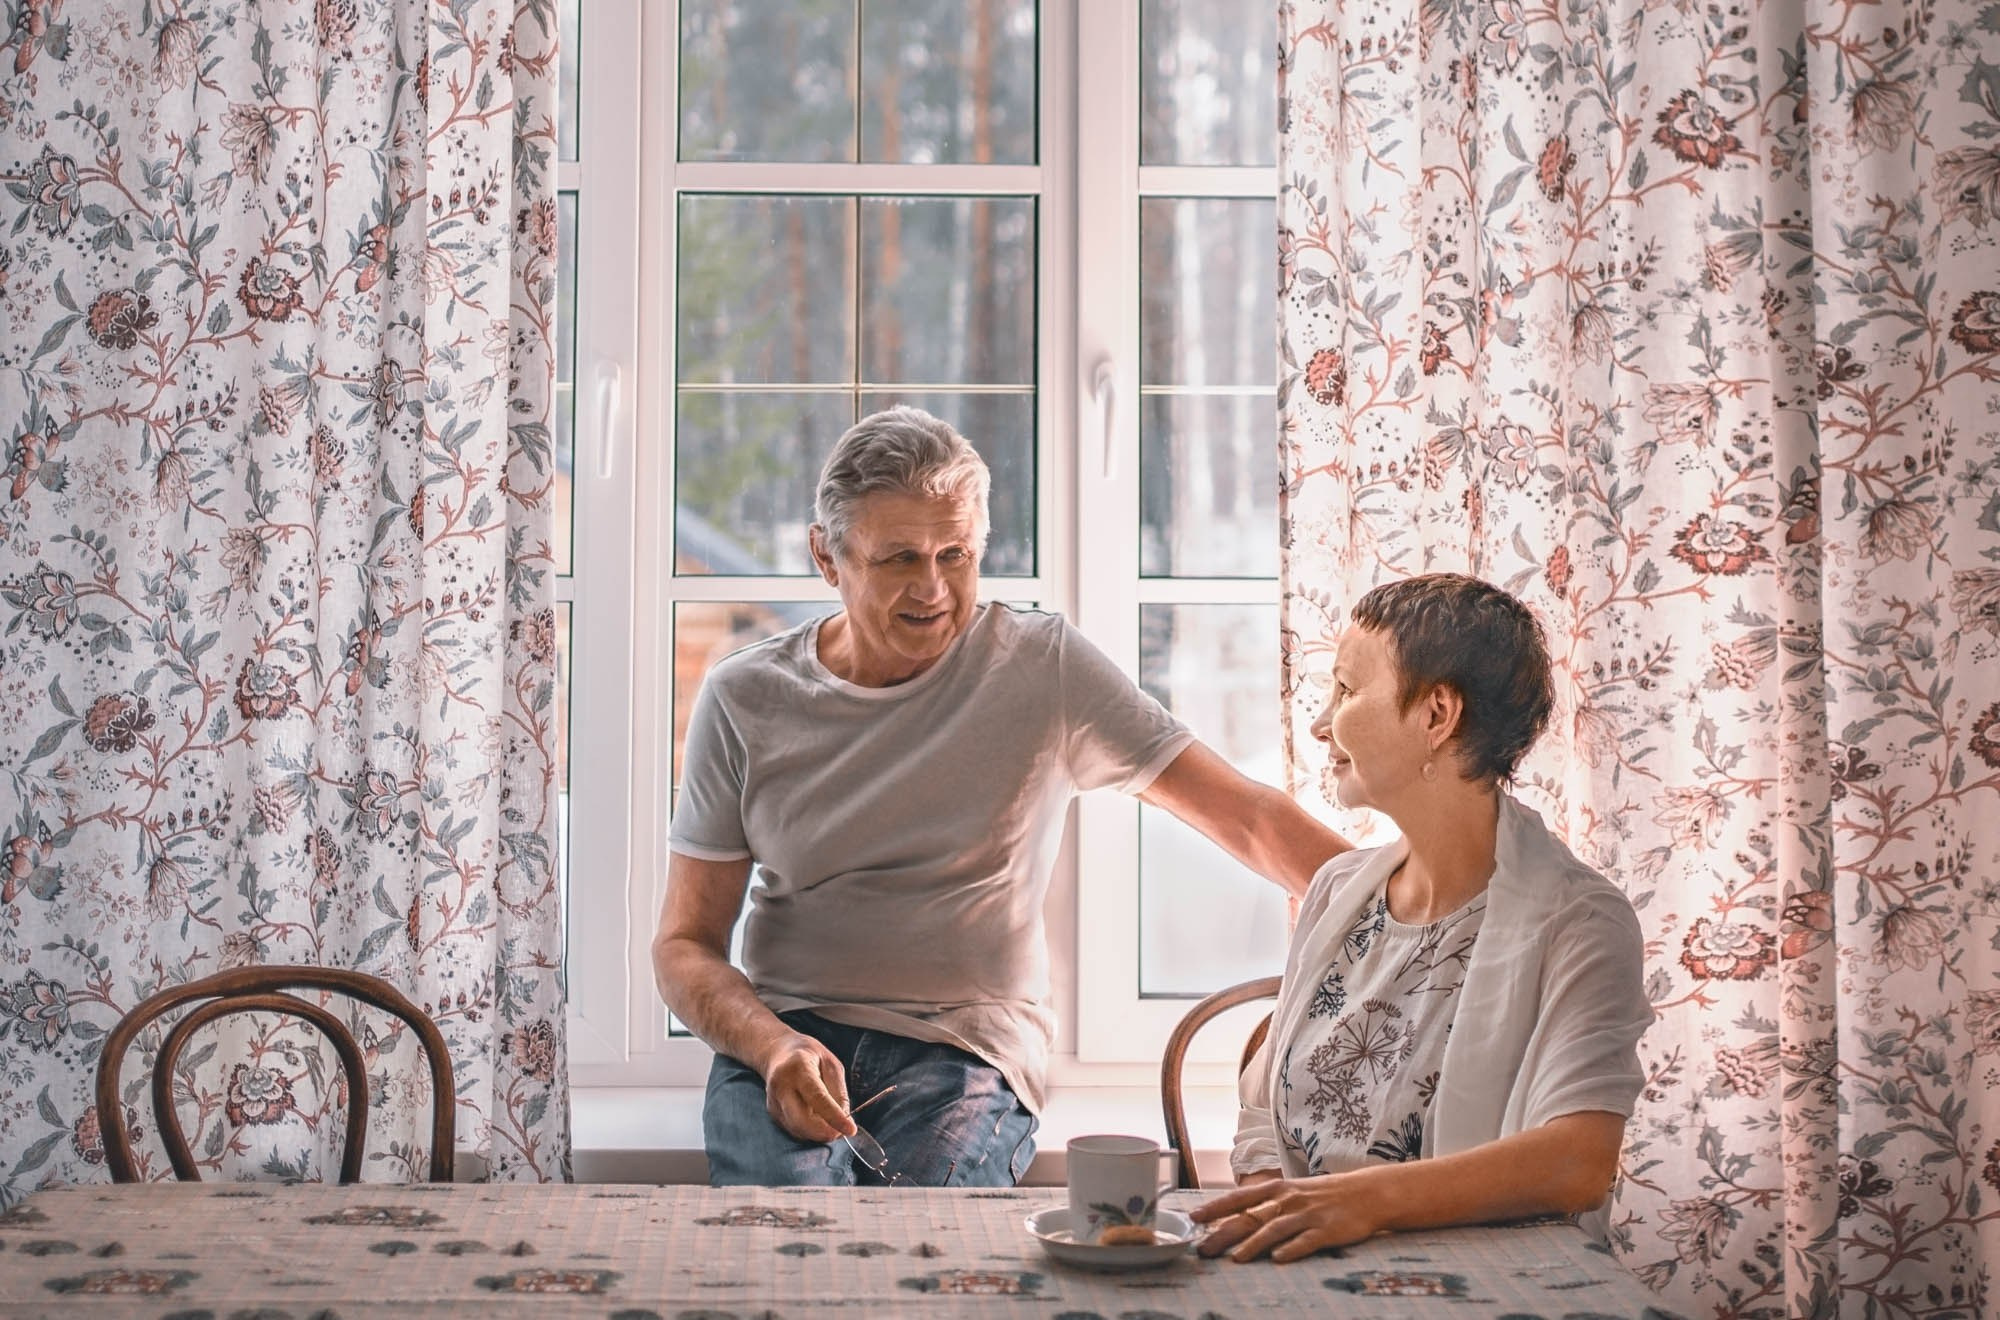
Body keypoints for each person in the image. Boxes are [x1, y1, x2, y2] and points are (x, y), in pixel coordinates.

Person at [653, 406, 1348, 1187]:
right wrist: (771, 1044)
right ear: (827, 556)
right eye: (898, 560)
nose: (934, 589)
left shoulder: (1039, 667)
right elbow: (685, 945)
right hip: (785, 1042)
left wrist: (1432, 912)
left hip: (964, 1054)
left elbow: (1248, 817)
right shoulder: (747, 697)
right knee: (782, 1246)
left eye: (956, 553)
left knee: (921, 1255)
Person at [1192, 573, 1652, 1261]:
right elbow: (1263, 1112)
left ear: (1437, 715)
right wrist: (1276, 1231)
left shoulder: (1580, 923)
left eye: (1346, 690)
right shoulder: (1334, 891)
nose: (1321, 722)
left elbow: (1578, 1160)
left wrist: (1359, 1206)